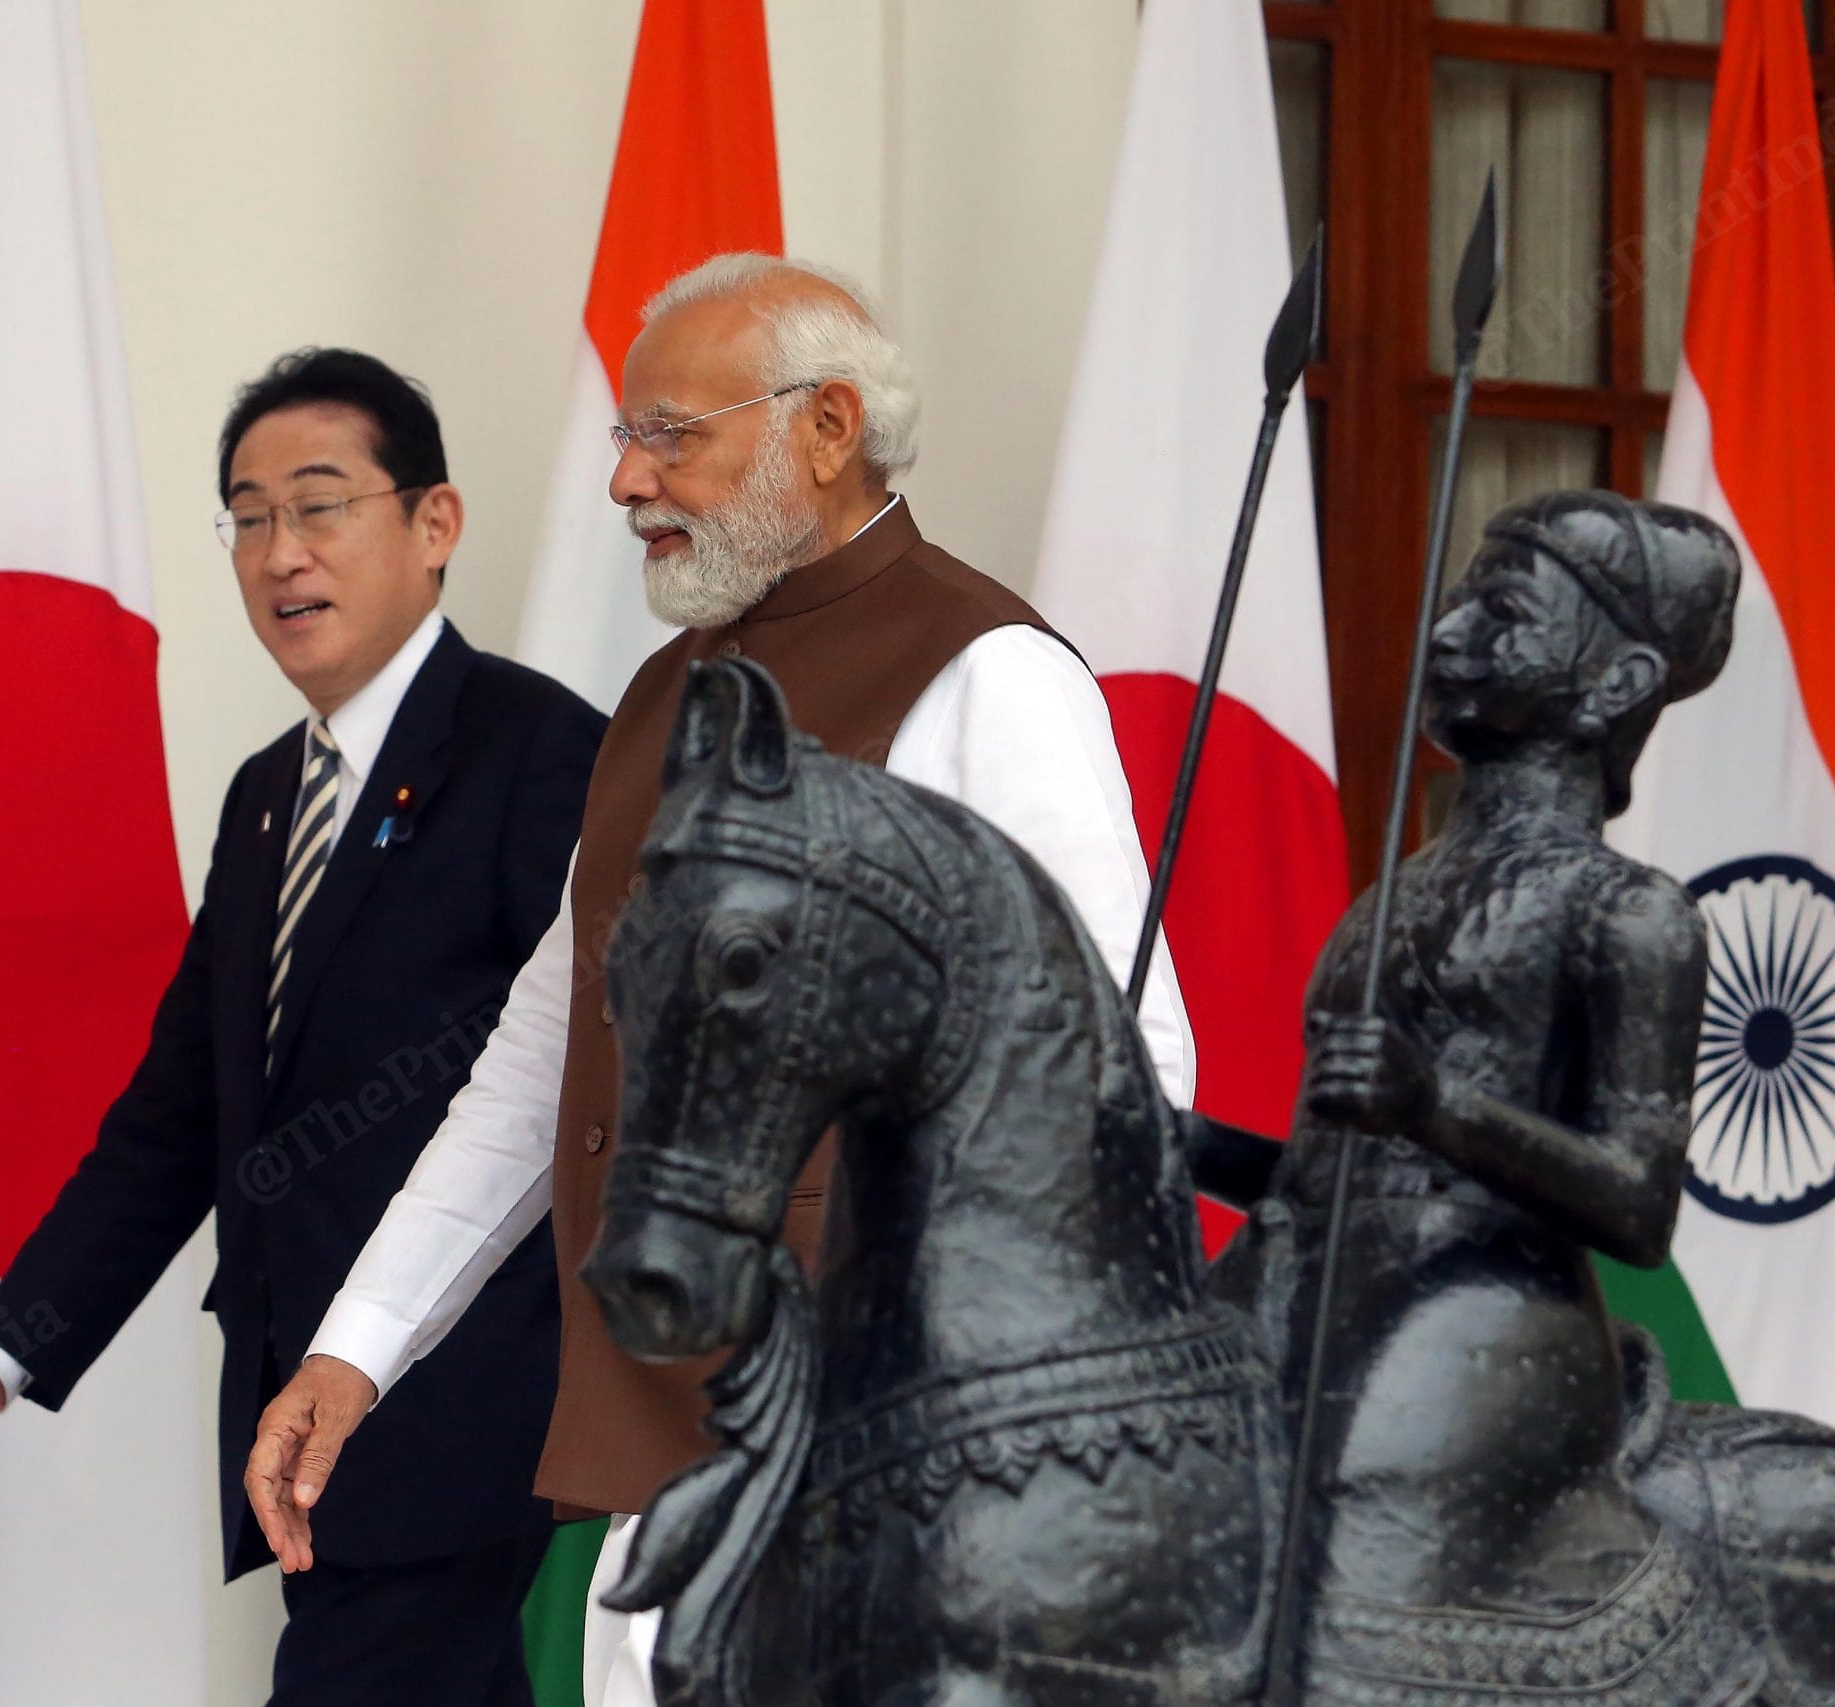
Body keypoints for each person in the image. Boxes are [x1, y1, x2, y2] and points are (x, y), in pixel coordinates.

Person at [245, 256, 1197, 1707]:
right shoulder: (664, 695)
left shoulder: (990, 673)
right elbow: (538, 1066)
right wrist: (356, 1348)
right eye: (630, 434)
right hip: (665, 1471)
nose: (625, 476)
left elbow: (1132, 1071)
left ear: (826, 429)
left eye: (671, 432)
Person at [0, 348, 605, 1707]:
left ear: (433, 523)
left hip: (456, 1405)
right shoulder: (271, 792)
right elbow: (179, 1115)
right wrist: (4, 1348)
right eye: (249, 514)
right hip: (300, 1409)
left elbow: (581, 1087)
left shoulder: (544, 755)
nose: (281, 552)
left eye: (320, 503)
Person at [1195, 492, 1739, 1646]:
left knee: (1316, 1582)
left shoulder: (1629, 915)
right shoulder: (1395, 891)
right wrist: (1184, 1141)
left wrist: (1436, 1106)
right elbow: (1324, 1174)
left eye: (1502, 613)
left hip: (1480, 1323)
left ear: (1617, 683)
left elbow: (1638, 1206)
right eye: (1457, 603)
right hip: (1306, 1289)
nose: (1447, 636)